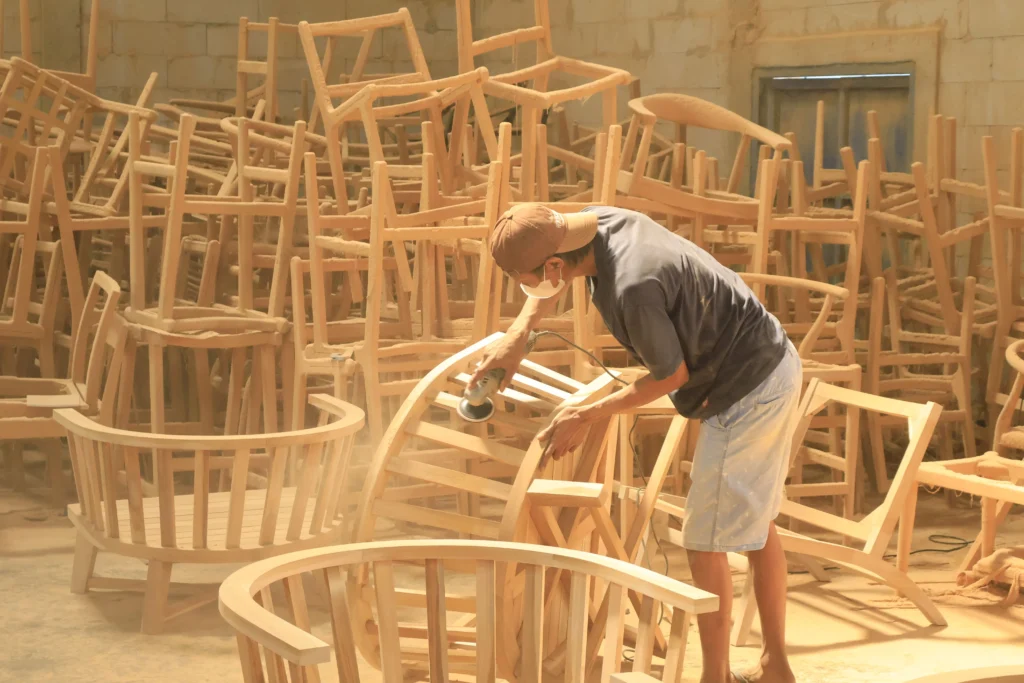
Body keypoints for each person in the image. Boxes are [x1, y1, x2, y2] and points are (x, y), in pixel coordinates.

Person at [467, 204, 801, 683]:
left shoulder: (632, 289)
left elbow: (671, 376)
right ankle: (776, 669)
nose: (531, 290)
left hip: (748, 388)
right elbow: (544, 288)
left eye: (528, 278)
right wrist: (518, 336)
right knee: (758, 524)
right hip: (770, 357)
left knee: (704, 544)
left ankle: (716, 678)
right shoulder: (599, 220)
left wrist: (588, 413)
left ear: (556, 266)